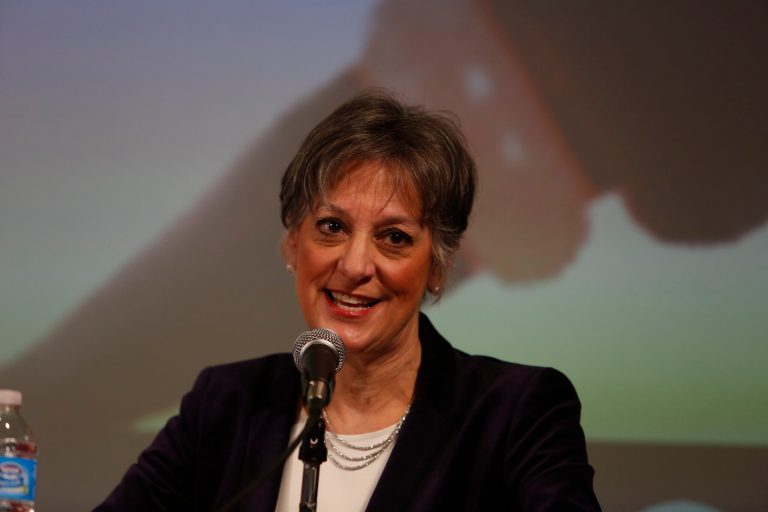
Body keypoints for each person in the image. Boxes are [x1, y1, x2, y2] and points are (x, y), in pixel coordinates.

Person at [95, 91, 601, 511]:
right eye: (332, 227)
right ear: (292, 244)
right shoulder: (225, 405)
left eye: (395, 238)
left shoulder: (516, 413)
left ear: (440, 266)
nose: (356, 266)